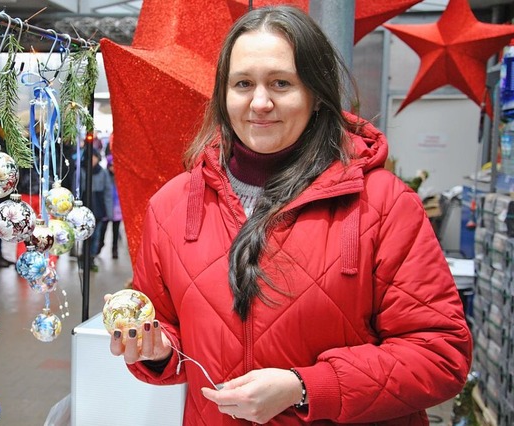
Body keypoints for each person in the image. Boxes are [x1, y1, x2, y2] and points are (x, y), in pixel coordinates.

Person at [108, 6, 472, 425]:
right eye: (243, 83)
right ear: (224, 96)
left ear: (315, 95)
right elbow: (173, 333)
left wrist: (306, 388)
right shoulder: (171, 207)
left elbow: (440, 355)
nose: (260, 102)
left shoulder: (383, 204)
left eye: (281, 83)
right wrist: (158, 352)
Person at [89, 150, 112, 272]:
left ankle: (91, 256)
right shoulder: (81, 171)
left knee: (96, 235)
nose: (92, 160)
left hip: (98, 208)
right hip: (85, 207)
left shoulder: (102, 173)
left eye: (94, 158)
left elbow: (108, 192)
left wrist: (109, 213)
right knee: (87, 236)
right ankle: (85, 256)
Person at [98, 154, 122, 259]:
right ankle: (99, 245)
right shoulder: (105, 175)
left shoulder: (120, 178)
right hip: (106, 208)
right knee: (103, 229)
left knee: (115, 231)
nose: (113, 168)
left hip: (117, 209)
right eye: (112, 165)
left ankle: (114, 249)